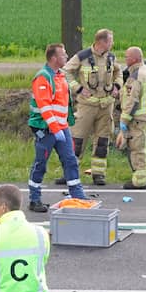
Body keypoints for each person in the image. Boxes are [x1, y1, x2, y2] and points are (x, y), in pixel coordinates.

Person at [28, 43, 88, 212]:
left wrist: (64, 126)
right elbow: (45, 106)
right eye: (63, 54)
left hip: (61, 128)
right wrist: (55, 129)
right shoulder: (43, 78)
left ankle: (77, 196)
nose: (67, 56)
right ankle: (34, 199)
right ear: (54, 58)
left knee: (70, 161)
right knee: (40, 164)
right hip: (46, 129)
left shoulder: (60, 76)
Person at [62, 28, 122, 186]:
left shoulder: (111, 57)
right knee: (77, 140)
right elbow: (65, 72)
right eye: (110, 40)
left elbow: (119, 73)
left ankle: (98, 174)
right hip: (87, 106)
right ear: (102, 42)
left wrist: (117, 86)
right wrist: (78, 88)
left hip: (106, 106)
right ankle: (69, 174)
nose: (112, 43)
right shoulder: (82, 56)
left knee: (102, 141)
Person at [115, 46, 146, 189]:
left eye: (127, 57)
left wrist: (123, 121)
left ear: (134, 59)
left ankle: (140, 181)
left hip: (139, 120)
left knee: (138, 150)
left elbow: (131, 101)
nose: (125, 59)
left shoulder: (135, 76)